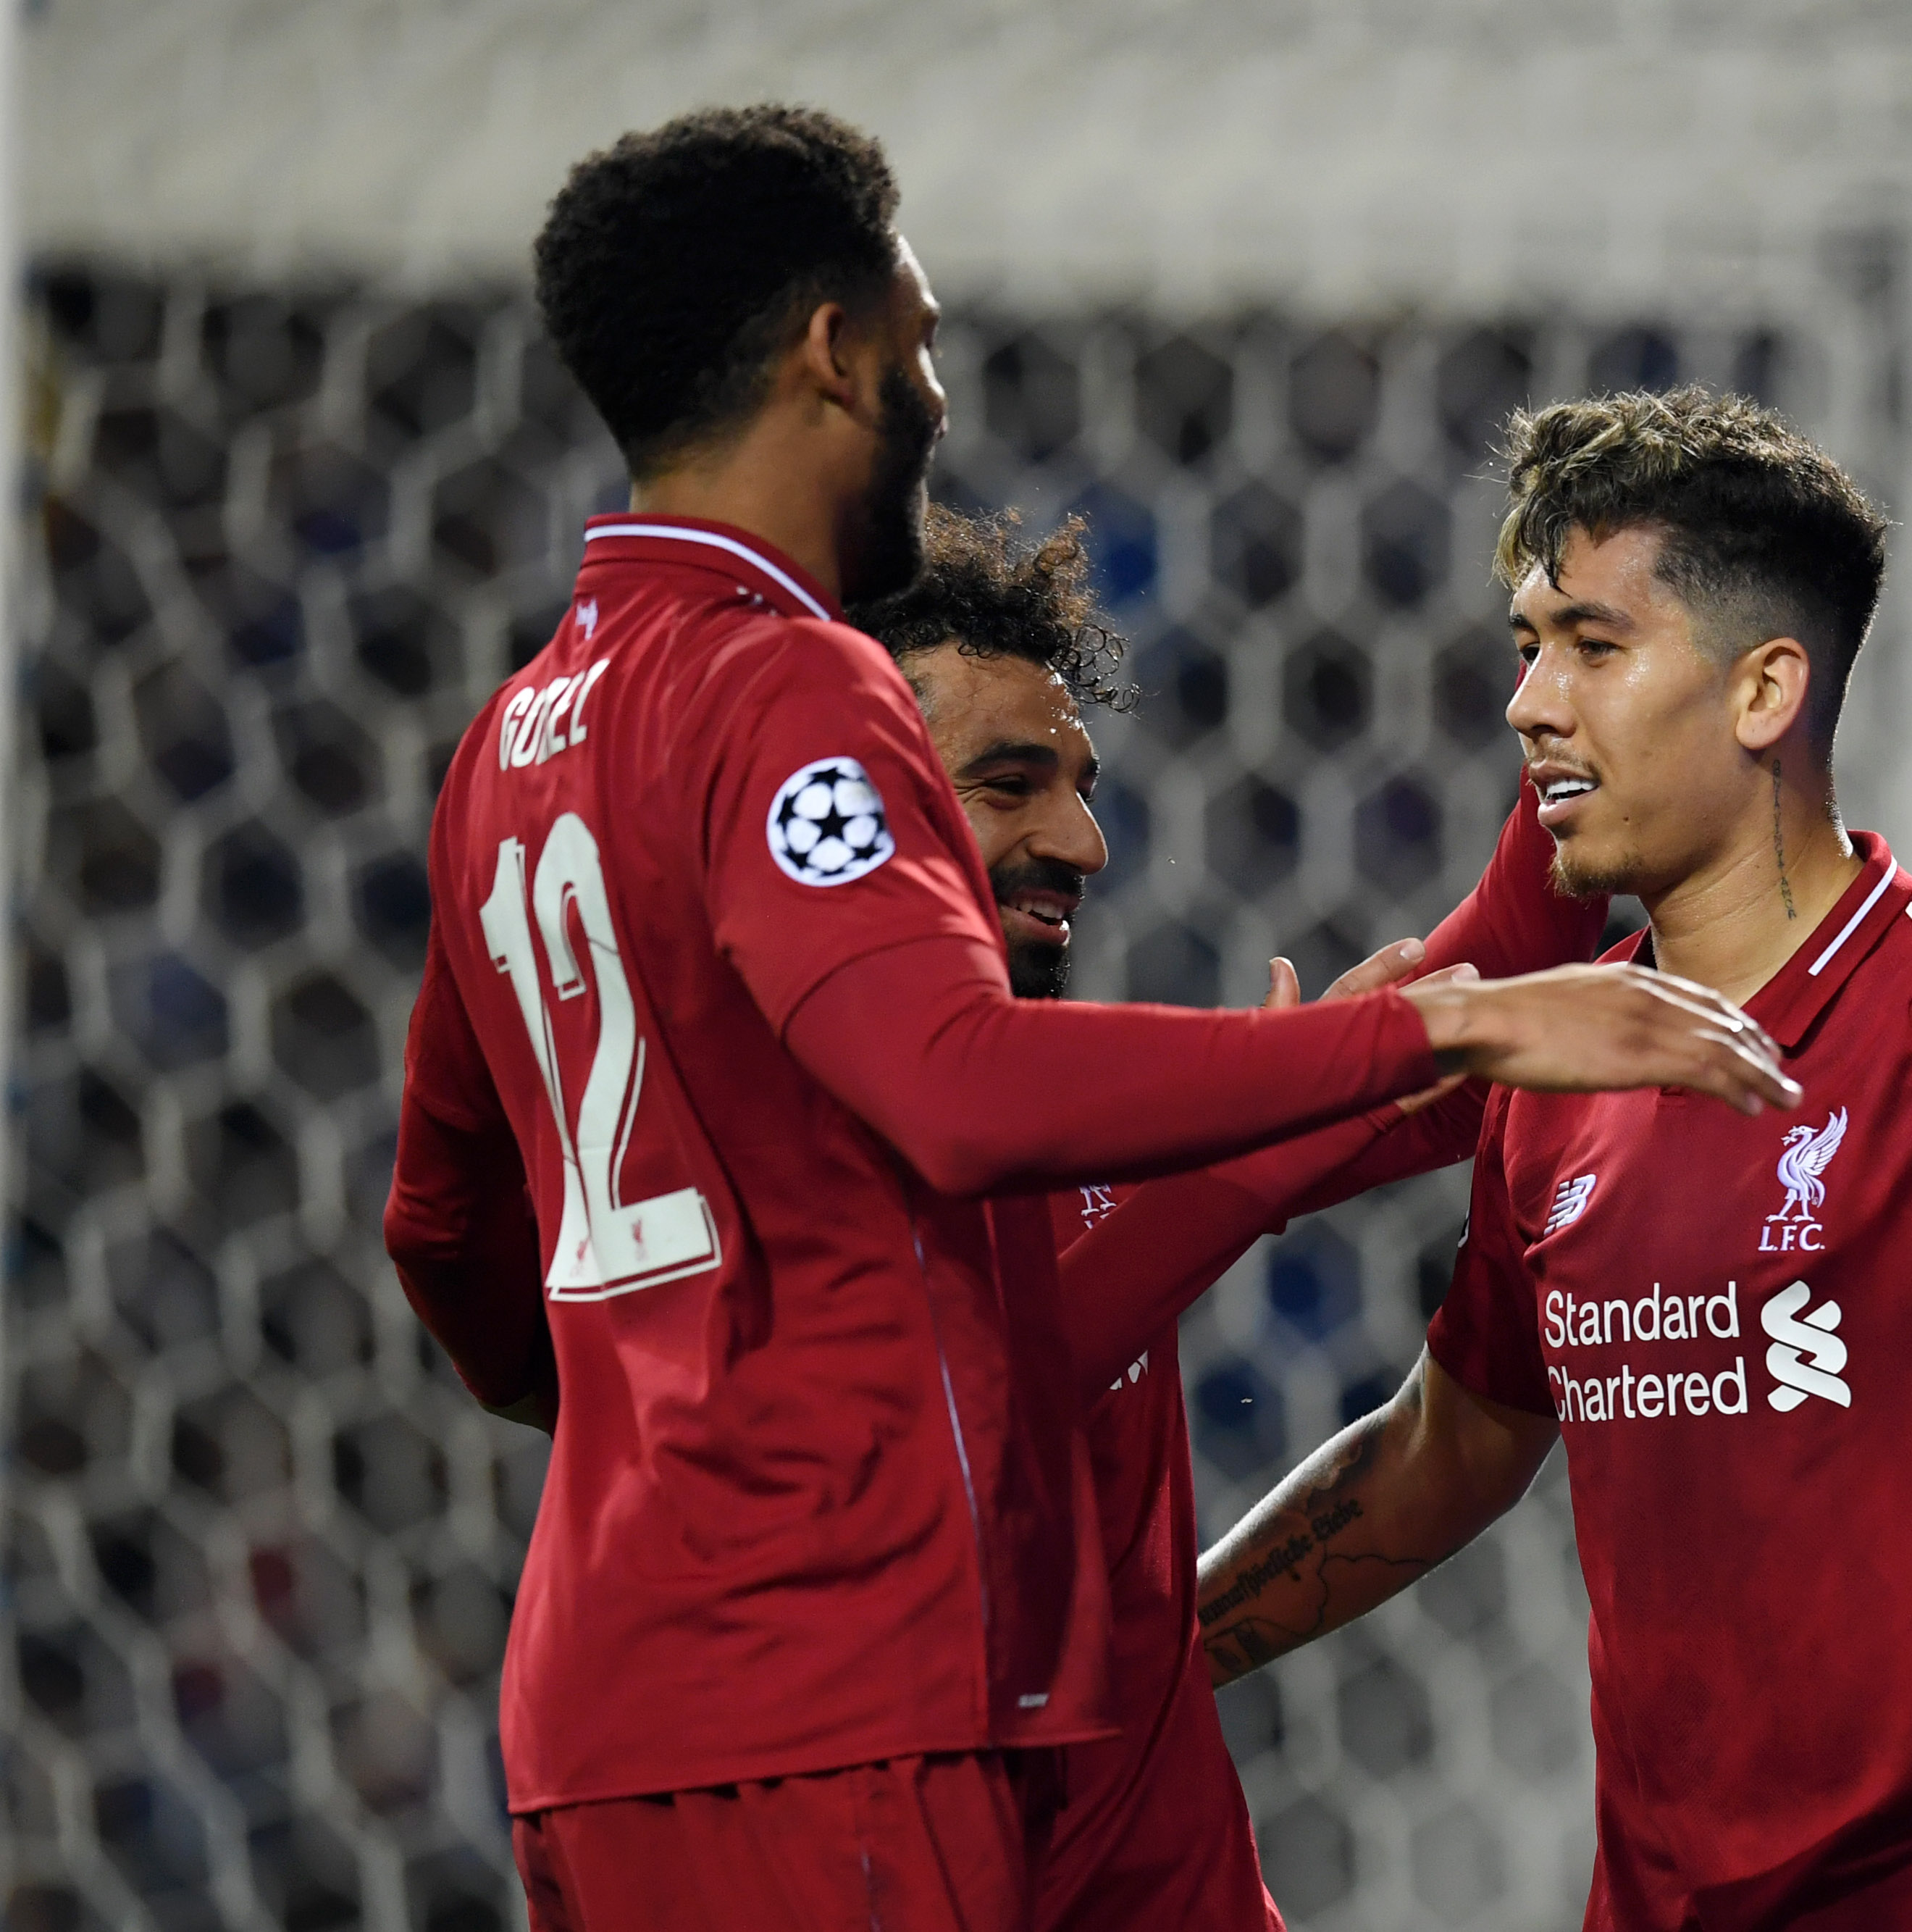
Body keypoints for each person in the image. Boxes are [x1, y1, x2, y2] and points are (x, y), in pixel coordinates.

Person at [379, 110, 1796, 1932]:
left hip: (634, 1715)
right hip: (831, 1718)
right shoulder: (783, 687)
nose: (1080, 836)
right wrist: (1436, 1038)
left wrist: (638, 1401)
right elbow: (968, 1093)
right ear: (837, 344)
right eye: (986, 781)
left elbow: (444, 1224)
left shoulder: (515, 745)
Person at [1196, 388, 1912, 1931]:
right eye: (1527, 648)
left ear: (1764, 689)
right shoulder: (1569, 1055)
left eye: (1591, 646)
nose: (1530, 700)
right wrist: (1162, 1648)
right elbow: (1448, 1447)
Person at [851, 503, 1611, 1931]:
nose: (1079, 837)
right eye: (1010, 781)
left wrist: (1576, 677)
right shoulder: (792, 1149)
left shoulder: (1102, 1104)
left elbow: (1492, 991)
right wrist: (1277, 1129)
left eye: (1080, 782)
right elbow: (986, 1389)